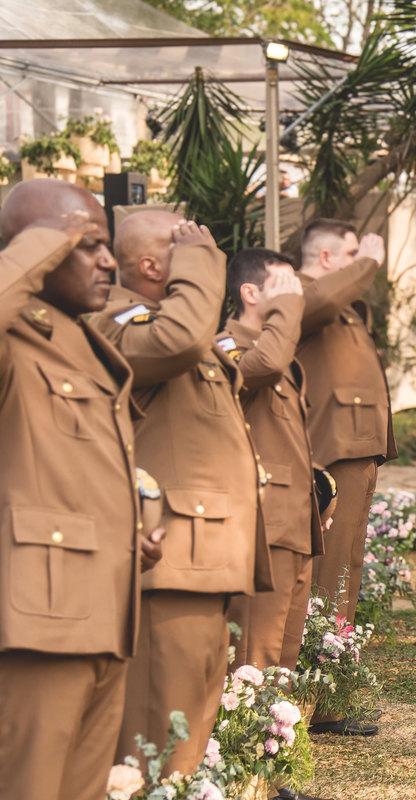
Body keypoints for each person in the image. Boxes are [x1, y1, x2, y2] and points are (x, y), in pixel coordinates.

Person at [95, 211, 271, 775]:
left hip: (206, 551)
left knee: (189, 728)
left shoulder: (168, 320)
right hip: (169, 554)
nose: (203, 248)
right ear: (152, 265)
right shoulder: (116, 318)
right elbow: (180, 340)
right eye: (187, 244)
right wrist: (201, 265)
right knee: (157, 730)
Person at [0, 181, 150, 800]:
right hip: (39, 622)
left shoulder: (74, 339)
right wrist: (43, 238)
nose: (109, 263)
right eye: (88, 245)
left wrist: (136, 532)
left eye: (107, 245)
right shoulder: (12, 339)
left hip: (103, 610)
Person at [293, 218, 397, 736]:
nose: (364, 263)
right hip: (330, 450)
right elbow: (317, 307)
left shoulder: (342, 303)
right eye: (352, 254)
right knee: (327, 574)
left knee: (346, 573)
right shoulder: (301, 292)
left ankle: (327, 698)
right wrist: (369, 262)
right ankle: (308, 702)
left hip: (356, 449)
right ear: (329, 258)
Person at [221, 249, 325, 674]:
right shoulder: (226, 349)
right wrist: (287, 309)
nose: (295, 297)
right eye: (284, 288)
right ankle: (245, 738)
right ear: (250, 293)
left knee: (286, 647)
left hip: (295, 517)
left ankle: (280, 735)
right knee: (255, 651)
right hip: (264, 520)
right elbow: (263, 364)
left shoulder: (281, 354)